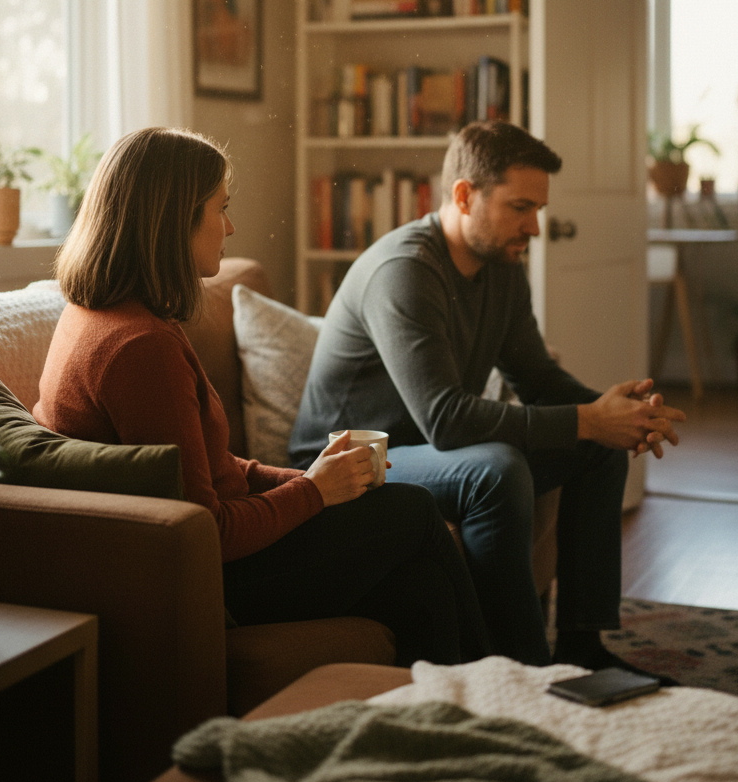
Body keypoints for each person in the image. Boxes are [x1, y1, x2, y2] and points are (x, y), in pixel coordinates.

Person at [34, 126, 490, 668]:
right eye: (219, 209)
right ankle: (504, 682)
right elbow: (207, 533)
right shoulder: (138, 348)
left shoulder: (114, 314)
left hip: (222, 557)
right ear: (172, 220)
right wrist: (315, 493)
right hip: (217, 581)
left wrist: (313, 478)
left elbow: (213, 467)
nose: (230, 226)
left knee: (418, 586)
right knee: (412, 508)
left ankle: (467, 697)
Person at [288, 120, 686, 677]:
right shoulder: (405, 271)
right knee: (493, 469)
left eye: (539, 210)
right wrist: (589, 420)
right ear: (463, 196)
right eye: (521, 207)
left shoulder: (501, 268)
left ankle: (581, 646)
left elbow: (537, 378)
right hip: (349, 463)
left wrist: (618, 415)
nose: (536, 228)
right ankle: (522, 668)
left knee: (597, 447)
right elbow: (447, 420)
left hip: (426, 452)